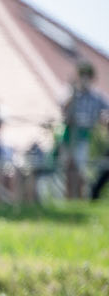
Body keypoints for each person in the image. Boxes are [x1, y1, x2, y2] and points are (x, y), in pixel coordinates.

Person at [61, 61, 108, 199]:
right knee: (69, 169)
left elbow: (105, 112)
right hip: (69, 134)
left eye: (87, 75)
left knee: (81, 170)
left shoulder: (97, 97)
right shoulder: (70, 92)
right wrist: (74, 91)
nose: (85, 78)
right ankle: (69, 199)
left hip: (86, 136)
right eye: (82, 74)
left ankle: (80, 198)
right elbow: (63, 109)